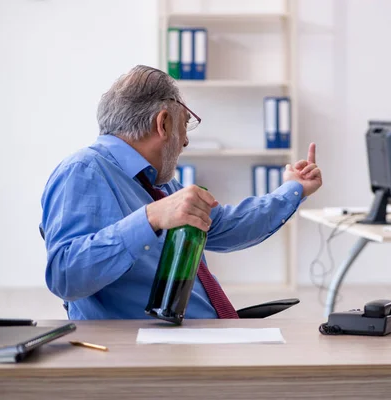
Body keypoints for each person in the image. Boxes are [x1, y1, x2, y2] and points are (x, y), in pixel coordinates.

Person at [40, 65, 322, 320]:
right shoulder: (83, 170)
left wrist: (293, 189)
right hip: (145, 353)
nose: (185, 140)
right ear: (163, 124)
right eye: (185, 124)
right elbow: (65, 276)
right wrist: (150, 219)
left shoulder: (160, 185)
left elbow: (227, 226)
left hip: (194, 338)